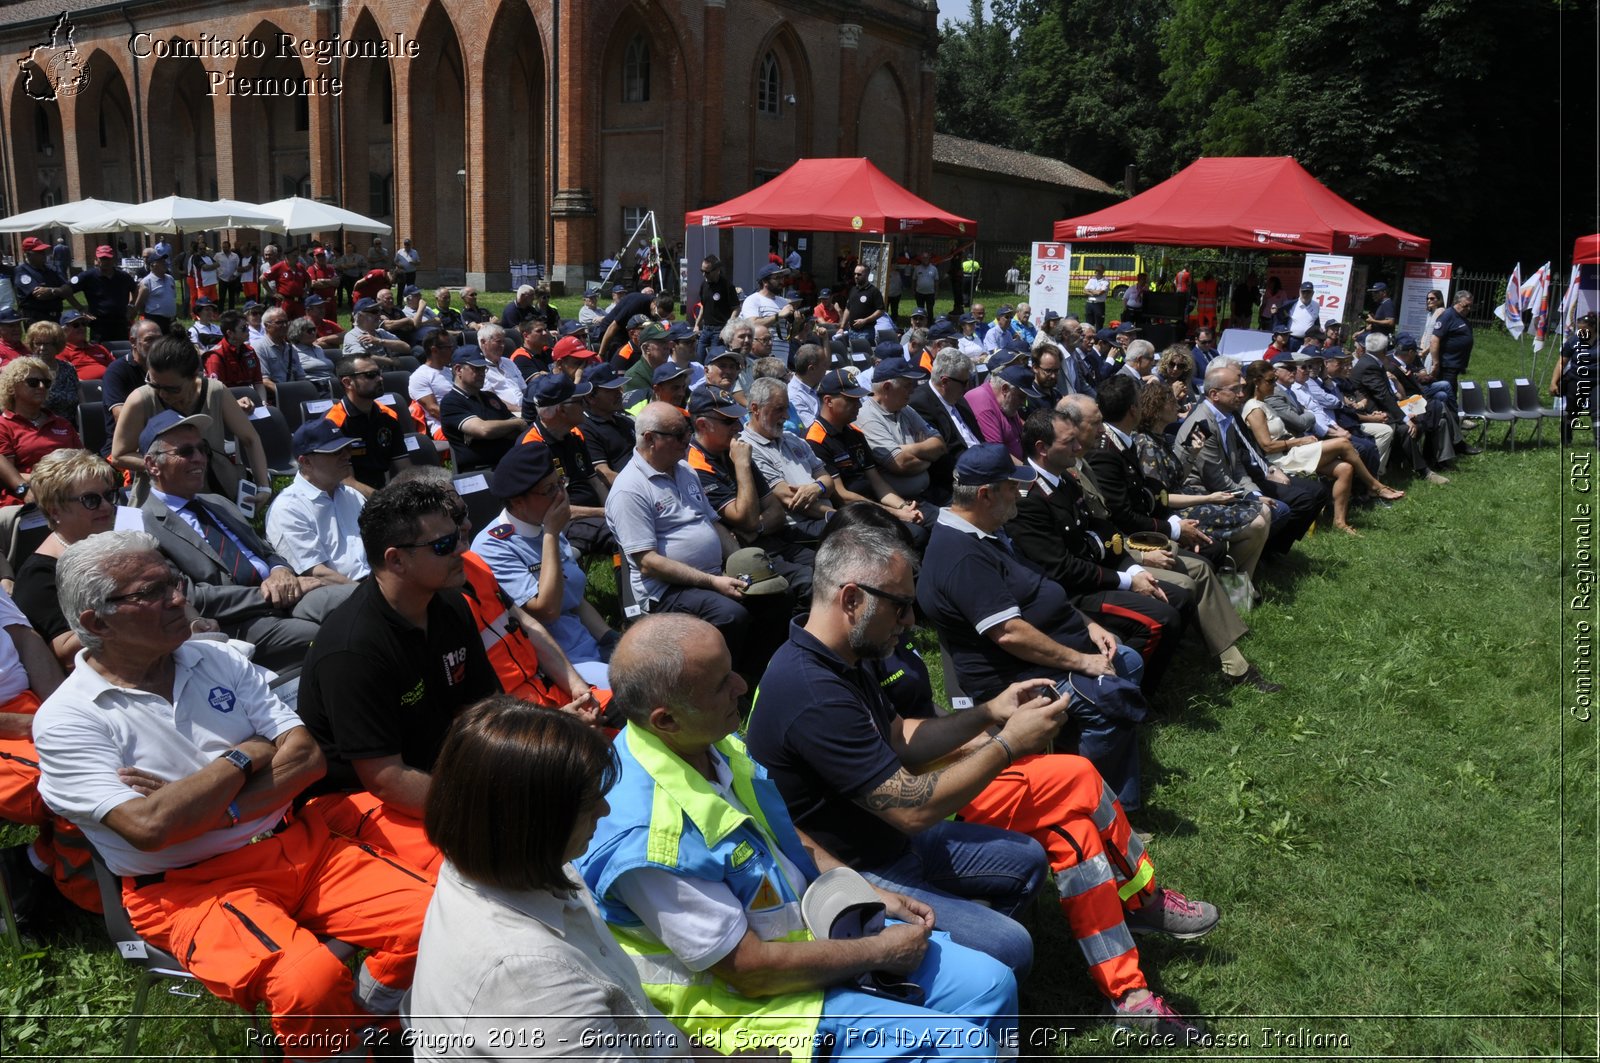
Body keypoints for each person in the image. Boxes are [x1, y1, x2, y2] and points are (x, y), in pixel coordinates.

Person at [750, 511, 1219, 1036]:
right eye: (902, 607)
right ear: (852, 599)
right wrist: (1007, 742)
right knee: (1012, 946)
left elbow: (900, 735)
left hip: (891, 840)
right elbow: (911, 808)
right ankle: (926, 971)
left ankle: (1119, 943)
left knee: (1034, 852)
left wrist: (988, 712)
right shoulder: (812, 692)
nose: (910, 622)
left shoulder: (839, 657)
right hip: (859, 867)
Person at [33, 531, 432, 1056]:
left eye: (175, 582)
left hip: (298, 847)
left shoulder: (216, 660)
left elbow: (307, 758)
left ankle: (371, 1017)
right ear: (95, 621)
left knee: (437, 918)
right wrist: (243, 754)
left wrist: (214, 808)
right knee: (306, 981)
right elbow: (150, 828)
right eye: (152, 592)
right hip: (188, 888)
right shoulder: (68, 719)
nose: (180, 598)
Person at [576, 614, 1019, 1060]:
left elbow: (779, 831)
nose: (741, 686)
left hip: (811, 937)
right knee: (965, 1048)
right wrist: (877, 950)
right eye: (720, 684)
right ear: (666, 718)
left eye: (732, 669)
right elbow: (748, 971)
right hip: (756, 1012)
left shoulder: (702, 740)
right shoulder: (648, 842)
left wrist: (865, 890)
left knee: (992, 983)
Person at [407, 697, 688, 1060]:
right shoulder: (532, 981)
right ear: (532, 825)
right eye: (587, 804)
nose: (604, 810)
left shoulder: (504, 864)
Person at [918, 444, 1150, 810]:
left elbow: (1040, 589)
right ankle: (1097, 807)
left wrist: (1088, 625)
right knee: (1107, 703)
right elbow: (1009, 633)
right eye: (1013, 487)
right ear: (985, 494)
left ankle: (1092, 769)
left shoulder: (985, 529)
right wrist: (1081, 661)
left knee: (1128, 661)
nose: (1020, 494)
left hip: (1050, 650)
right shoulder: (961, 555)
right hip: (1015, 675)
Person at [296, 478, 501, 874]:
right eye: (443, 545)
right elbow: (385, 779)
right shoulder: (353, 650)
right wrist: (483, 800)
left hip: (432, 772)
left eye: (458, 536)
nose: (462, 550)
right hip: (352, 796)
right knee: (478, 860)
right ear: (396, 560)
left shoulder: (450, 605)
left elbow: (484, 709)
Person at [472, 442, 618, 691]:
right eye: (549, 489)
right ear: (518, 502)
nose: (560, 495)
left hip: (587, 643)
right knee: (641, 691)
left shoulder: (543, 524)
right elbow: (546, 610)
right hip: (557, 666)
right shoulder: (494, 546)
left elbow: (575, 601)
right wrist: (551, 533)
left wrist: (609, 638)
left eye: (560, 483)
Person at [1174, 360, 1326, 556]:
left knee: (1279, 507)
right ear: (1214, 394)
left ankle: (1261, 557)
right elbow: (1216, 477)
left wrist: (1253, 493)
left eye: (1241, 388)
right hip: (1201, 492)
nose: (1241, 394)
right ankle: (1244, 565)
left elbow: (1237, 467)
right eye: (1235, 389)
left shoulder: (1224, 417)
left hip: (1225, 486)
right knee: (1276, 510)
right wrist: (1251, 497)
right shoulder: (1202, 423)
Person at [1241, 359, 1403, 535]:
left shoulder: (1263, 404)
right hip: (1280, 459)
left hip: (1291, 451)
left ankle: (1340, 522)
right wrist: (1298, 441)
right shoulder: (1254, 408)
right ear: (1257, 382)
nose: (1274, 384)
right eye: (1270, 380)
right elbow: (1267, 446)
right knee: (1343, 443)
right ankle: (1375, 486)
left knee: (1345, 468)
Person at [1129, 380, 1270, 578]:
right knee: (1257, 524)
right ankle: (1228, 579)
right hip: (1174, 511)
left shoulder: (1159, 439)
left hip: (1186, 500)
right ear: (1157, 408)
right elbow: (1163, 498)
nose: (1178, 406)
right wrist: (1209, 498)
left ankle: (1245, 583)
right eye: (1171, 402)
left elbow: (1175, 480)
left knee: (1264, 512)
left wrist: (1192, 454)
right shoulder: (1147, 444)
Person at [111, 335, 272, 505]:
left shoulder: (215, 392)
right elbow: (119, 455)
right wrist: (168, 466)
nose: (162, 394)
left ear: (195, 375)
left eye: (172, 389)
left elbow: (250, 438)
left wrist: (264, 488)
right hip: (159, 498)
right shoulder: (140, 400)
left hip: (214, 493)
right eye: (154, 385)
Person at [264, 421, 370, 584]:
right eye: (336, 452)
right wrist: (372, 596)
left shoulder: (353, 495)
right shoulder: (287, 509)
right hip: (339, 596)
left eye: (347, 449)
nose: (347, 456)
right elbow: (317, 574)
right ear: (306, 462)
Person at [0, 356, 81, 506]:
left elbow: (82, 460)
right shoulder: (4, 426)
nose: (42, 386)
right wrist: (54, 479)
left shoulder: (62, 423)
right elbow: (7, 475)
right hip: (29, 498)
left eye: (46, 382)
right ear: (12, 388)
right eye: (33, 382)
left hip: (70, 493)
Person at [440, 346, 526, 469]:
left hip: (508, 463)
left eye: (483, 369)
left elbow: (517, 432)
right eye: (476, 369)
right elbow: (484, 430)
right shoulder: (451, 402)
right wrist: (517, 423)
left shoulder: (490, 397)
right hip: (481, 471)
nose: (482, 374)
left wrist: (495, 430)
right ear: (458, 370)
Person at [69, 245, 137, 343]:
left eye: (108, 258)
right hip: (99, 324)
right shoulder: (88, 276)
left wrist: (131, 305)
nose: (106, 261)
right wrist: (81, 309)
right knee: (100, 352)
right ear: (96, 259)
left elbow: (135, 289)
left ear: (113, 259)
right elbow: (66, 291)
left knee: (122, 350)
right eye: (102, 258)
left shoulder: (123, 276)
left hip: (121, 321)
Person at [1552, 312, 1598, 446]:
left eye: (1584, 329)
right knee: (1572, 411)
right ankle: (1566, 439)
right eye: (1579, 329)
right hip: (1576, 380)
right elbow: (1561, 363)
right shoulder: (1573, 341)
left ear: (1593, 328)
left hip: (1596, 381)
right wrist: (1553, 382)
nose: (1581, 332)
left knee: (1597, 410)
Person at [1428, 289, 1475, 397]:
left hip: (1455, 364)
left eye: (1470, 306)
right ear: (1456, 303)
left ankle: (1448, 411)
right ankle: (1447, 412)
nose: (1468, 309)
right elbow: (1434, 340)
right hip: (1447, 364)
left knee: (1451, 390)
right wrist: (1435, 363)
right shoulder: (1447, 316)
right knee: (1449, 392)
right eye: (1465, 306)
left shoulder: (1462, 317)